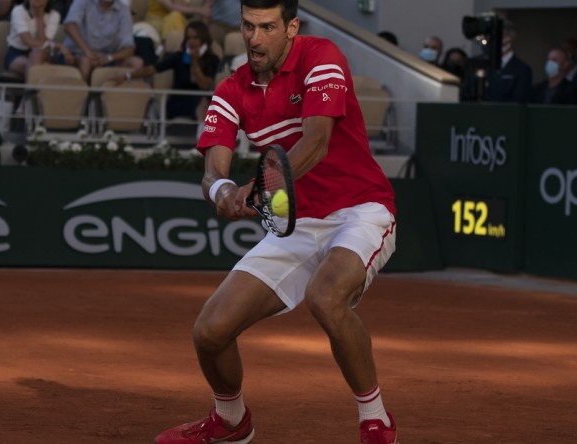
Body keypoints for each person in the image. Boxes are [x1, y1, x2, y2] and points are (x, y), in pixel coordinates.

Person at [153, 1, 398, 443]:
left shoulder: (321, 56)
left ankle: (375, 420)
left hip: (359, 210)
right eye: (248, 25)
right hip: (296, 224)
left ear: (291, 27)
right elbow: (212, 171)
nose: (254, 37)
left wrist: (258, 189)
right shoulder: (231, 89)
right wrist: (221, 192)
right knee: (210, 331)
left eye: (267, 27)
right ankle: (231, 421)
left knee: (326, 297)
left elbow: (317, 142)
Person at [117, 20, 219, 121]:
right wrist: (127, 76)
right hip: (179, 101)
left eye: (195, 38)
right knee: (202, 104)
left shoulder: (213, 59)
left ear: (204, 39)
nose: (191, 41)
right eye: (189, 38)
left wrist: (195, 63)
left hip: (200, 101)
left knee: (204, 102)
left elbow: (204, 85)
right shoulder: (178, 57)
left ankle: (203, 132)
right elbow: (152, 69)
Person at [60, 0, 142, 82]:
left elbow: (129, 47)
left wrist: (109, 58)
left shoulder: (123, 10)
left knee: (136, 62)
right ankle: (82, 93)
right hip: (76, 54)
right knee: (85, 61)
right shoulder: (83, 1)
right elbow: (69, 26)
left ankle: (109, 92)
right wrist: (88, 52)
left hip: (105, 59)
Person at [463, 19, 531, 103]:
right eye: (489, 36)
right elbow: (466, 95)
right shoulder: (476, 64)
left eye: (496, 36)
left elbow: (518, 101)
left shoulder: (522, 70)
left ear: (510, 39)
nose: (491, 40)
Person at [5, 0, 72, 79]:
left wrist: (39, 18)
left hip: (43, 54)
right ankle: (33, 89)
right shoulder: (18, 11)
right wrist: (57, 45)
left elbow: (42, 45)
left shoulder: (54, 15)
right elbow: (29, 42)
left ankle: (32, 89)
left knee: (38, 54)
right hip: (17, 54)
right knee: (40, 64)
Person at [144, 0, 211, 38]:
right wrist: (200, 10)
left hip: (176, 22)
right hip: (156, 22)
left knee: (176, 16)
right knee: (174, 16)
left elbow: (188, 14)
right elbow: (170, 7)